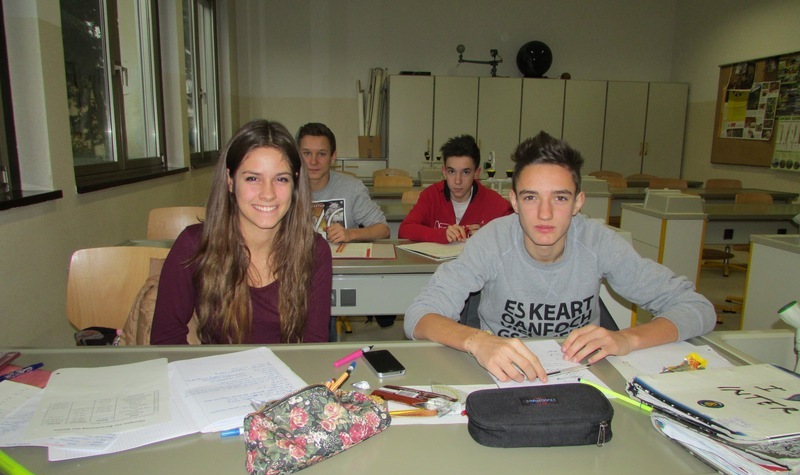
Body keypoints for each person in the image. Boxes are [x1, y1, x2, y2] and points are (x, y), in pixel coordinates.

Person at [404, 131, 716, 383]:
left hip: (586, 379)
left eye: (560, 198)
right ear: (514, 201)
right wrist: (478, 341)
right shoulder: (492, 242)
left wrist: (628, 339)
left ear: (578, 202)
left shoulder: (598, 242)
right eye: (531, 197)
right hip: (504, 378)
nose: (545, 213)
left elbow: (697, 307)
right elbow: (419, 316)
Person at [151, 119, 332, 345]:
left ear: (295, 183)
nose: (268, 194)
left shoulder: (314, 250)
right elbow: (166, 340)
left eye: (281, 179)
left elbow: (313, 344)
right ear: (230, 180)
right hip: (216, 368)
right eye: (253, 178)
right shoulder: (194, 245)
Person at [398, 134, 513, 243]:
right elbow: (405, 230)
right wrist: (441, 234)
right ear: (444, 172)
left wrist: (490, 235)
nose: (458, 181)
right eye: (451, 171)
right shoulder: (431, 195)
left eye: (466, 172)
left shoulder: (494, 202)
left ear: (476, 173)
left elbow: (516, 234)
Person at [297, 122, 390, 243]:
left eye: (321, 154)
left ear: (333, 157)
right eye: (307, 153)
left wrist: (350, 234)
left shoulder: (352, 188)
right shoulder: (285, 188)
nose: (313, 161)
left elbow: (383, 229)